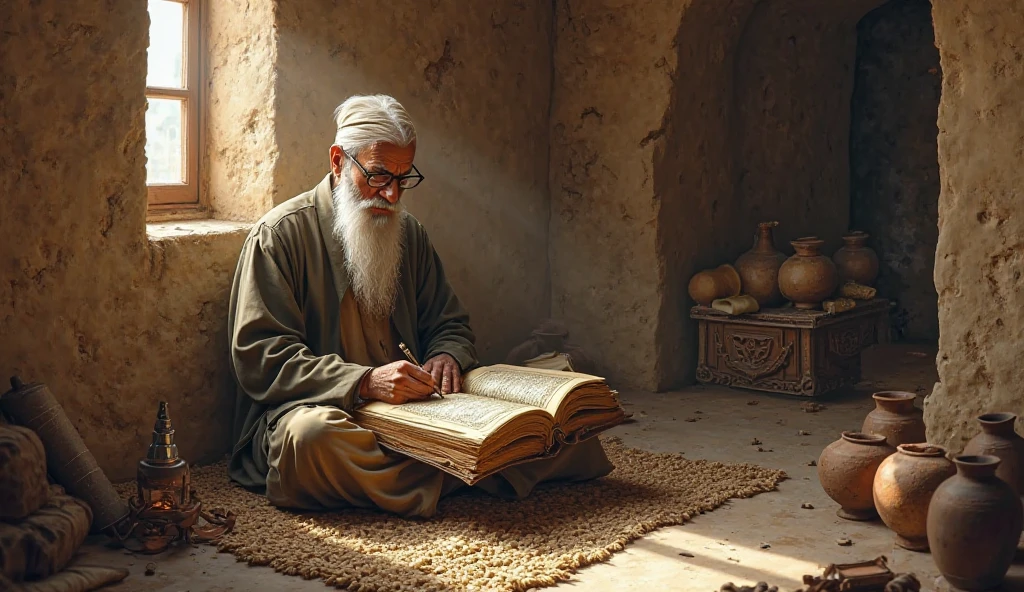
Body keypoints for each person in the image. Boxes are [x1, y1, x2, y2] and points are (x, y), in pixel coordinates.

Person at [226, 94, 613, 518]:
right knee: (310, 441)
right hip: (333, 411)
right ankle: (480, 470)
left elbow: (449, 322)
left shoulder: (408, 233)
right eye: (376, 176)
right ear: (338, 161)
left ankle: (446, 467)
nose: (391, 194)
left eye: (402, 177)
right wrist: (366, 382)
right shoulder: (278, 237)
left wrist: (447, 354)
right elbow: (262, 358)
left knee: (555, 417)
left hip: (417, 412)